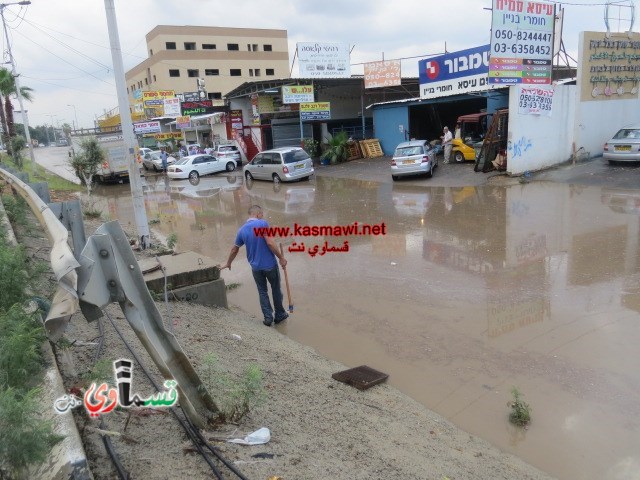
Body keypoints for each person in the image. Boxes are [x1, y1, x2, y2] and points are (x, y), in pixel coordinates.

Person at [219, 205, 289, 326]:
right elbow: (270, 243)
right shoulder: (262, 223)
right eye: (262, 215)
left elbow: (234, 250)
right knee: (276, 289)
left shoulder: (241, 230)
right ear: (258, 214)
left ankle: (268, 318)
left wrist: (228, 263)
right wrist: (281, 258)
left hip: (256, 268)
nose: (263, 217)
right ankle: (279, 315)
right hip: (270, 265)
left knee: (262, 291)